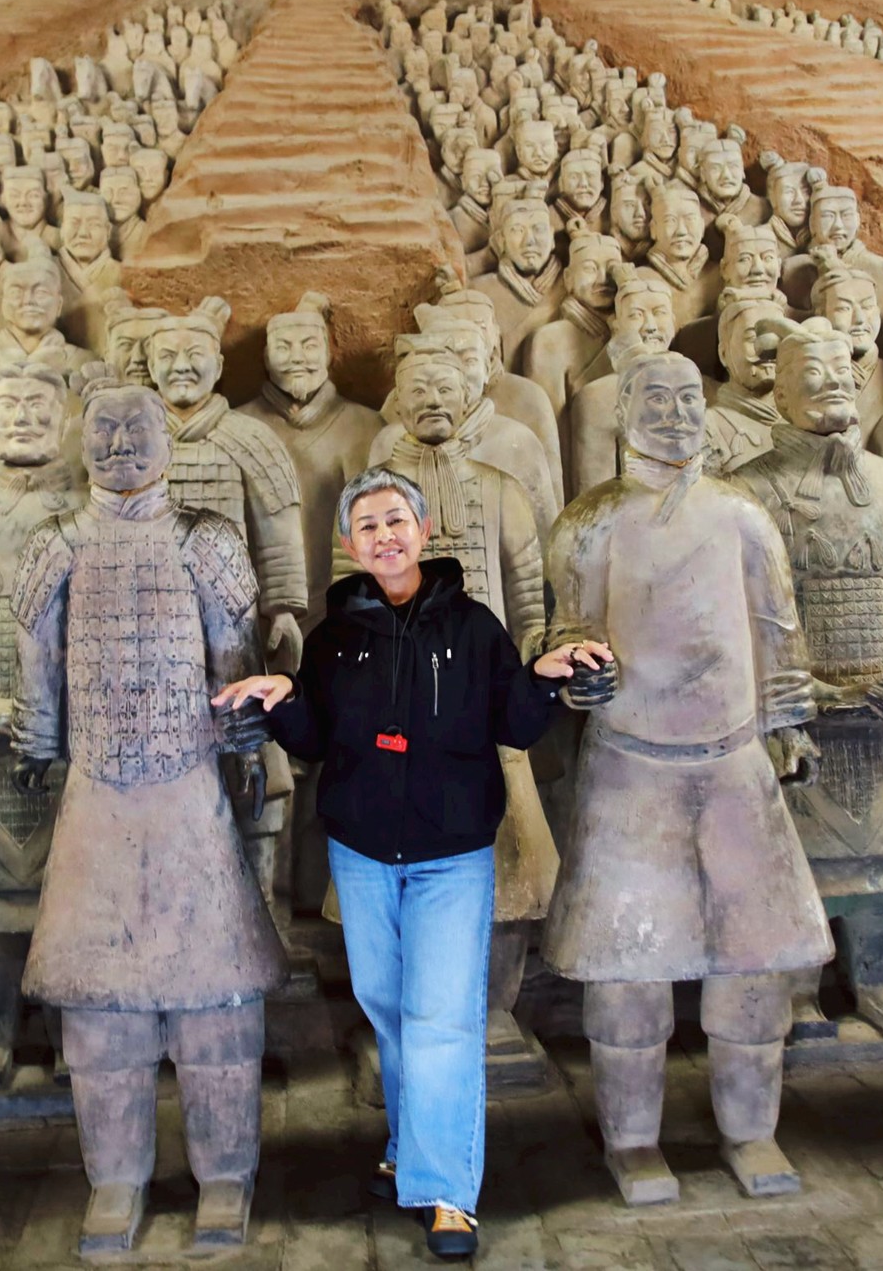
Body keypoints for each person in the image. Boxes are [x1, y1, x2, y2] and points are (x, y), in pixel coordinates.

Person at [213, 468, 612, 1260]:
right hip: (361, 852)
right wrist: (284, 697)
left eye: (396, 520)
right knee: (389, 1005)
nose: (384, 536)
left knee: (442, 1016)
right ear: (349, 543)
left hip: (449, 853)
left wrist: (541, 677)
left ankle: (447, 1190)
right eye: (367, 526)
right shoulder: (335, 636)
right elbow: (319, 737)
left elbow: (512, 719)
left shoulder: (472, 626)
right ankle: (410, 1140)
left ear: (422, 532)